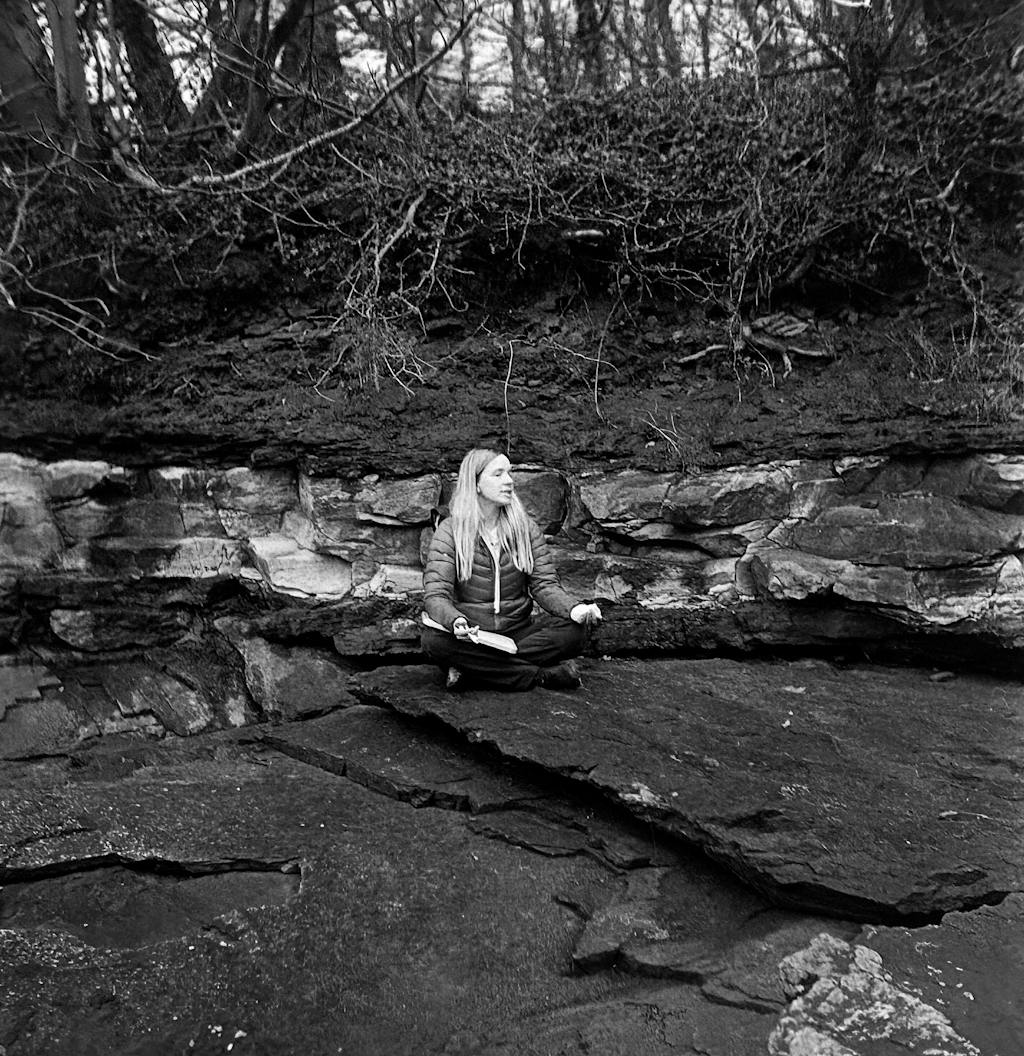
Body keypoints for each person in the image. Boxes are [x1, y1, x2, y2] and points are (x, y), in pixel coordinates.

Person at [421, 447, 602, 691]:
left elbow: (544, 585)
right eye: (498, 474)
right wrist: (456, 621)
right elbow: (436, 594)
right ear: (475, 484)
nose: (509, 481)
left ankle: (474, 671)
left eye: (509, 473)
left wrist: (575, 609)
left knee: (575, 631)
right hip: (473, 635)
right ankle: (541, 676)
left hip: (519, 632)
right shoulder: (450, 531)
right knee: (433, 642)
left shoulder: (525, 528)